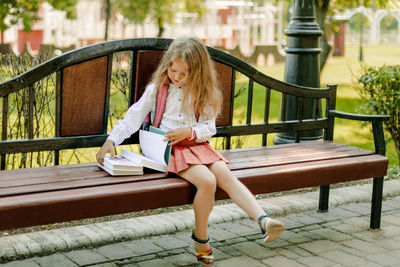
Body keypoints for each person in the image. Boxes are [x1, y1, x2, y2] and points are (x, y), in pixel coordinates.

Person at [96, 36, 284, 266]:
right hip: (168, 148)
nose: (176, 76)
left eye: (183, 73)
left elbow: (209, 128)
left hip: (195, 145)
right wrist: (111, 140)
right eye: (173, 70)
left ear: (198, 73)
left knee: (225, 175)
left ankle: (264, 220)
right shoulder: (158, 88)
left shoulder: (203, 93)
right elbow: (134, 115)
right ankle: (201, 240)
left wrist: (190, 133)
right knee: (207, 181)